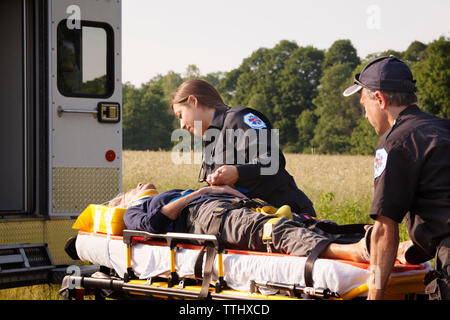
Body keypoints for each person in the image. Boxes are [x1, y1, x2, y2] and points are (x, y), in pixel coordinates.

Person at [343, 55, 450, 300]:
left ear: (379, 99)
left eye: (364, 106)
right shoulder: (444, 128)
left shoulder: (396, 142)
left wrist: (375, 295)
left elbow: (384, 230)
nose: (365, 116)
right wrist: (414, 251)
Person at [121, 182, 412, 267]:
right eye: (135, 187)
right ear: (127, 198)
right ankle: (355, 253)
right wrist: (200, 193)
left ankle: (394, 249)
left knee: (313, 223)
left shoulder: (167, 193)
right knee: (276, 232)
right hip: (207, 218)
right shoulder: (135, 208)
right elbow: (153, 226)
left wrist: (230, 192)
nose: (140, 185)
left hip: (234, 206)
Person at [170, 79, 316, 217]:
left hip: (290, 215)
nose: (181, 125)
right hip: (252, 221)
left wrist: (238, 172)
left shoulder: (239, 118)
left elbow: (272, 159)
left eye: (180, 115)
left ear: (193, 101)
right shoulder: (211, 138)